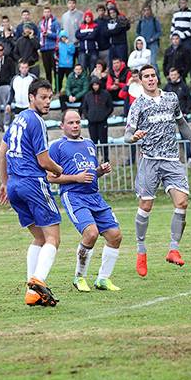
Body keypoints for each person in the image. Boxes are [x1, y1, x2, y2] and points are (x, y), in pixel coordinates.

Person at [124, 64, 191, 276]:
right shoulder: (138, 105)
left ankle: (173, 249)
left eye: (153, 75)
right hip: (150, 160)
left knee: (182, 202)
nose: (151, 79)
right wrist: (133, 138)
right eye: (146, 76)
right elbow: (127, 134)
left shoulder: (171, 98)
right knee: (146, 205)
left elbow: (181, 123)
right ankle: (141, 251)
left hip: (172, 159)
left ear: (157, 78)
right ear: (141, 81)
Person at [0, 79, 64, 307]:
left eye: (50, 98)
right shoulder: (36, 121)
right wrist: (59, 169)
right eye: (43, 97)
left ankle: (32, 290)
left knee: (39, 237)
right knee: (53, 238)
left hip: (15, 185)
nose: (47, 102)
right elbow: (43, 160)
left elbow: (1, 151)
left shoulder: (18, 119)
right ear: (31, 97)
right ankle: (38, 280)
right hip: (32, 183)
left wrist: (4, 183)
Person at [47, 110, 122, 291]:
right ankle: (79, 277)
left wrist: (100, 171)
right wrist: (76, 178)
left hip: (94, 196)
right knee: (91, 234)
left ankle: (103, 279)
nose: (75, 126)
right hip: (74, 196)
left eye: (78, 122)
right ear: (62, 126)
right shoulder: (57, 147)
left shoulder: (89, 144)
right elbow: (50, 177)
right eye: (71, 123)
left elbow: (90, 174)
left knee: (115, 236)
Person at [80, 78, 112, 162]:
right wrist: (88, 116)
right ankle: (94, 160)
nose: (95, 87)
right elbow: (84, 107)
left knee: (104, 141)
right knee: (93, 142)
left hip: (102, 122)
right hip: (92, 122)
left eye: (96, 84)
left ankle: (105, 160)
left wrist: (104, 115)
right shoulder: (88, 95)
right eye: (93, 85)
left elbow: (110, 107)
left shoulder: (106, 94)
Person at [172, 0, 191, 84]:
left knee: (190, 58)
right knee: (177, 59)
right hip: (177, 39)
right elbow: (173, 26)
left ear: (187, 2)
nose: (183, 4)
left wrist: (183, 35)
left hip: (187, 39)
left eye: (184, 2)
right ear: (179, 3)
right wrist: (173, 36)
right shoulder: (175, 14)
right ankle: (180, 79)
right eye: (181, 2)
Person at [38, 6, 61, 87]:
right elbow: (39, 35)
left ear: (50, 13)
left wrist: (49, 35)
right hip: (44, 49)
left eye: (48, 12)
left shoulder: (55, 23)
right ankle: (49, 87)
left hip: (53, 48)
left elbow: (58, 35)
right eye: (45, 12)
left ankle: (57, 88)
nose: (46, 13)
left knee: (55, 70)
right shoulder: (41, 23)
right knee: (47, 70)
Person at [136, 6, 162, 72]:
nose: (146, 12)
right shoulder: (141, 21)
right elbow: (137, 32)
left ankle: (157, 78)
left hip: (153, 44)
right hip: (143, 44)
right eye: (144, 10)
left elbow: (159, 32)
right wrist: (140, 40)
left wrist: (153, 38)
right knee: (144, 62)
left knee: (153, 62)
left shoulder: (154, 20)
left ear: (150, 11)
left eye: (148, 10)